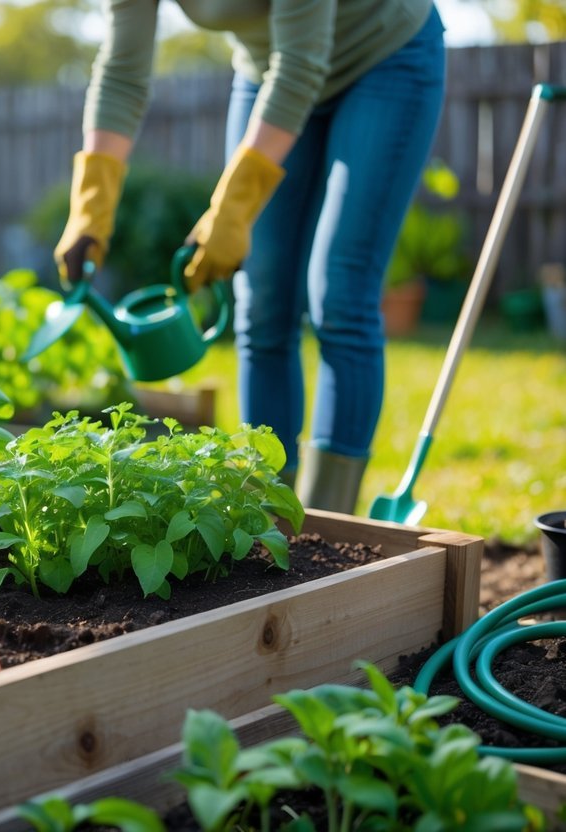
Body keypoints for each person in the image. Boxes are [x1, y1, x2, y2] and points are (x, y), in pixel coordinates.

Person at [55, 0, 446, 514]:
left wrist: (232, 208)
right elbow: (122, 74)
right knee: (260, 301)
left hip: (384, 55)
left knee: (340, 291)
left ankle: (330, 523)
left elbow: (303, 63)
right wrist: (91, 207)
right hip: (268, 72)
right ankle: (265, 517)